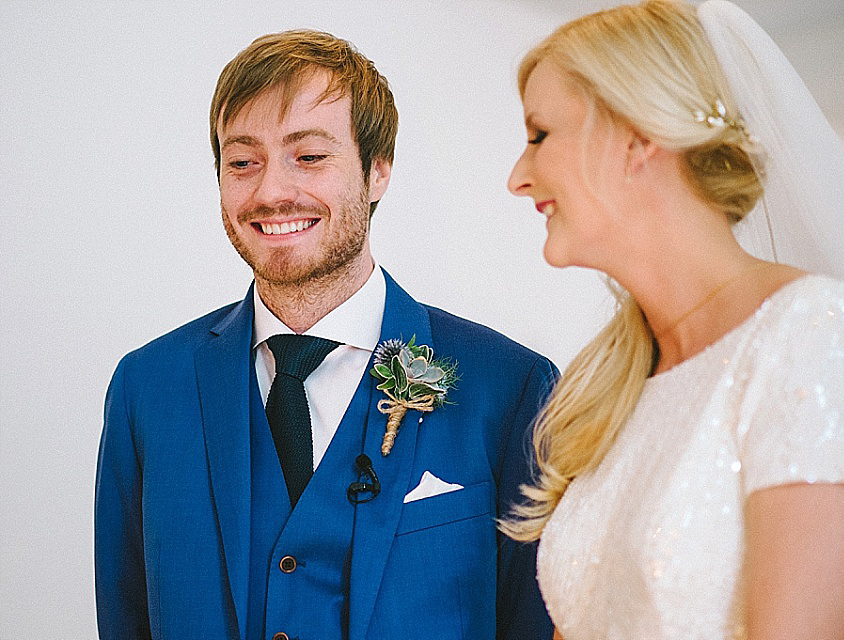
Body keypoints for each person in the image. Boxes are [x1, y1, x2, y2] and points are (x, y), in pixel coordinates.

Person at [500, 1, 844, 638]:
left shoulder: (813, 335)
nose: (518, 178)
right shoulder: (609, 387)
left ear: (639, 137)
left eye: (540, 134)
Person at [95, 29, 556, 640]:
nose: (271, 192)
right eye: (242, 162)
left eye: (309, 156)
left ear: (378, 172)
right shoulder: (146, 389)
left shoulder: (511, 388)